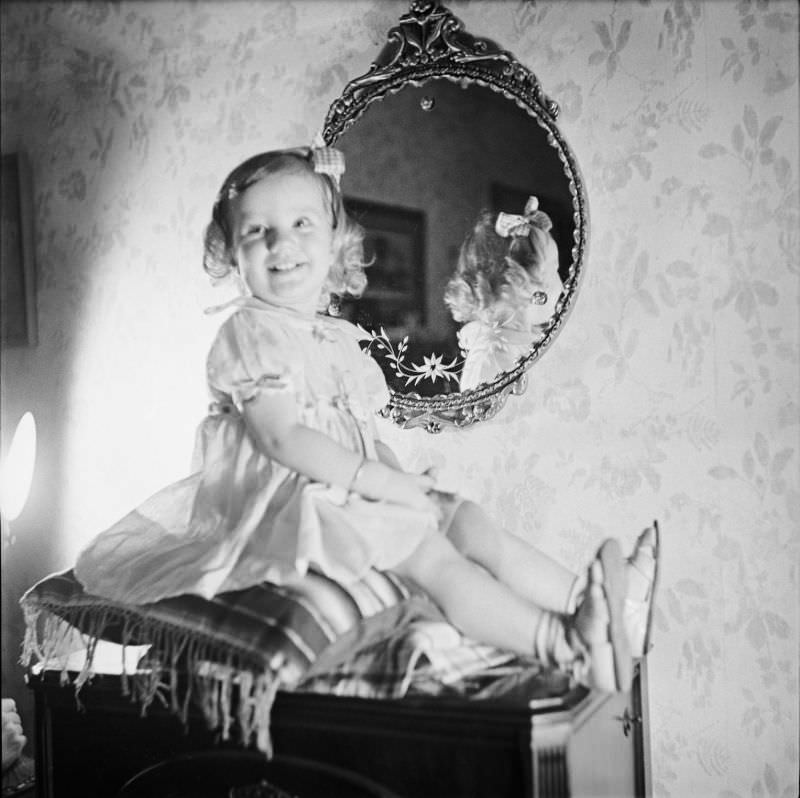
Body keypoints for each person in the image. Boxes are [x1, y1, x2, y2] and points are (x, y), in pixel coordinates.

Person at [75, 147, 658, 693]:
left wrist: (407, 487)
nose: (282, 241)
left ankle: (598, 605)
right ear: (231, 254)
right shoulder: (251, 332)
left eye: (302, 223)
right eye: (256, 230)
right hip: (290, 505)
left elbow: (359, 436)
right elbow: (282, 438)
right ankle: (562, 644)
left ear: (335, 243)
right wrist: (380, 487)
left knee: (465, 519)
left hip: (347, 488)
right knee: (433, 559)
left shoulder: (333, 338)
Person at [444, 197, 564, 390]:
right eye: (553, 269)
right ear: (520, 279)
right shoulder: (491, 358)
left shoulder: (527, 343)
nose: (562, 286)